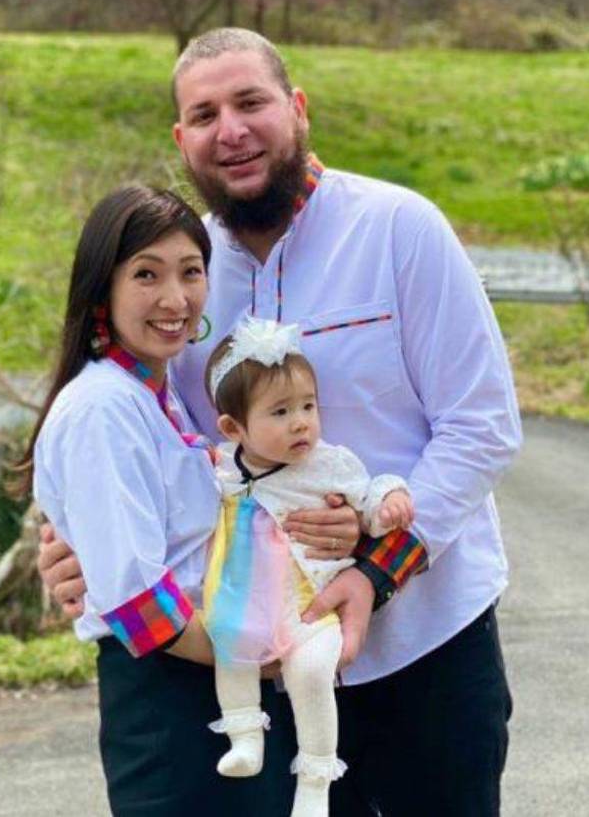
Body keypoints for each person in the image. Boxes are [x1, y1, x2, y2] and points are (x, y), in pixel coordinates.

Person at [38, 27, 522, 816]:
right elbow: (164, 451)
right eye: (204, 114)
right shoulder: (188, 275)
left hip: (425, 654)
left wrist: (376, 568)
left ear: (297, 110)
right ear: (182, 139)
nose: (230, 130)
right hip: (263, 666)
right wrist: (76, 543)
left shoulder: (400, 230)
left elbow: (483, 427)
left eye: (250, 102)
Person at [16, 185, 304, 816]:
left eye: (191, 273)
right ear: (102, 289)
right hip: (171, 699)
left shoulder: (157, 388)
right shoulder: (102, 409)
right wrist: (256, 662)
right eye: (147, 275)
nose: (175, 299)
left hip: (216, 685)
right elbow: (134, 597)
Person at [200, 317, 414, 817]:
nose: (301, 423)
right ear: (234, 428)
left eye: (308, 407)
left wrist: (389, 502)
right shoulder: (223, 467)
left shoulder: (328, 463)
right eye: (280, 412)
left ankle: (316, 779)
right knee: (229, 645)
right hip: (247, 600)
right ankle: (244, 734)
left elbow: (367, 494)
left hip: (312, 604)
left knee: (313, 671)